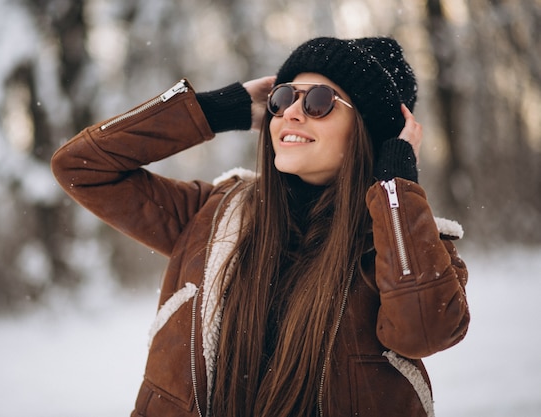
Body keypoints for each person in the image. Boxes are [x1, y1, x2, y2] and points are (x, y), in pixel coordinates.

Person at [51, 36, 470, 417]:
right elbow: (80, 167)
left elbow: (422, 332)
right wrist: (213, 111)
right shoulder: (214, 217)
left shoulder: (404, 244)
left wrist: (395, 183)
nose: (289, 112)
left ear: (369, 131)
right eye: (283, 97)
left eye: (319, 101)